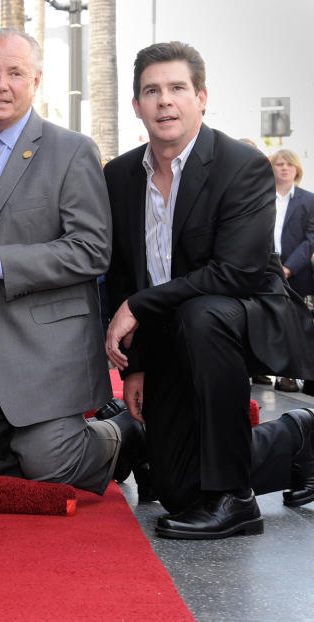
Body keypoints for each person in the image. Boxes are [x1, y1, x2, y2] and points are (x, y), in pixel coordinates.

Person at [105, 41, 314, 539]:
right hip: (174, 333)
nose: (165, 101)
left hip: (247, 316)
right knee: (175, 488)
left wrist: (135, 306)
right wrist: (137, 368)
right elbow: (125, 273)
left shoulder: (241, 165)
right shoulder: (118, 176)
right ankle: (297, 437)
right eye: (152, 91)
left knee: (205, 312)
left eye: (178, 88)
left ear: (201, 97)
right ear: (137, 105)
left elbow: (237, 273)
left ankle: (234, 500)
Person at [0, 29, 139, 495]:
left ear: (36, 81)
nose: (1, 84)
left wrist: (4, 261)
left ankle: (123, 435)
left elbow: (92, 249)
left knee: (49, 466)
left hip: (44, 345)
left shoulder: (71, 150)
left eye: (15, 73)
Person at [268, 149, 314, 393]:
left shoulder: (308, 200)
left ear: (297, 169)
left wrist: (288, 268)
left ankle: (289, 376)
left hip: (297, 273)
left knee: (296, 324)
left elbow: (311, 239)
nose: (284, 168)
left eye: (289, 164)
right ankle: (261, 371)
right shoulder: (261, 196)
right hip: (264, 270)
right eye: (279, 163)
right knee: (268, 322)